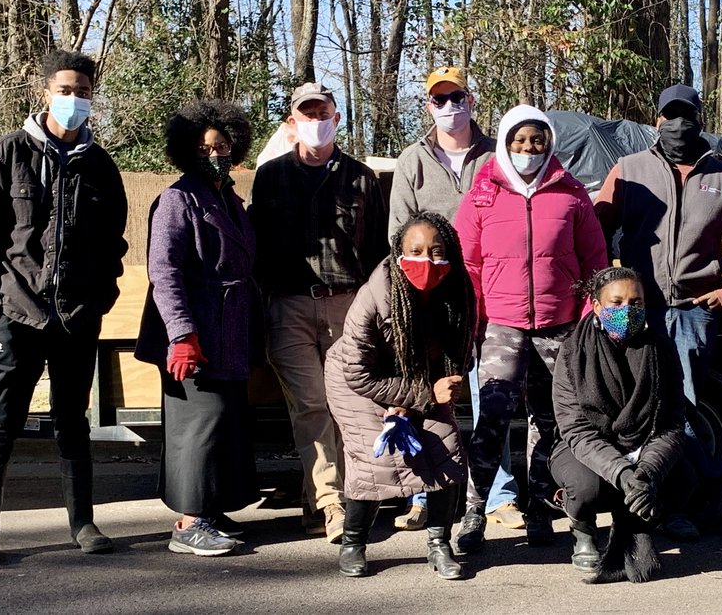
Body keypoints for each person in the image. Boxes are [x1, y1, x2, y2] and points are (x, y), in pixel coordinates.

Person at [0, 50, 127, 565]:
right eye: (65, 90)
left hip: (77, 319)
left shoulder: (100, 166)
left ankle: (83, 523)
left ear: (92, 96)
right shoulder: (7, 152)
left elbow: (113, 243)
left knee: (72, 423)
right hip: (15, 315)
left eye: (83, 91)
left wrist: (101, 298)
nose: (74, 99)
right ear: (46, 92)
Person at [594, 84, 722, 539]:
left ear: (700, 118)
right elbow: (595, 233)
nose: (679, 124)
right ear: (657, 119)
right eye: (671, 115)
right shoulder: (629, 170)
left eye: (687, 115)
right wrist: (601, 294)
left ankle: (677, 506)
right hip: (636, 310)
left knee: (682, 408)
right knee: (638, 406)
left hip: (693, 312)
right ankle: (708, 475)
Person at [453, 104, 609, 553]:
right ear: (505, 142)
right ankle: (474, 512)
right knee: (493, 420)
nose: (528, 148)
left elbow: (594, 260)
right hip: (502, 325)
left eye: (537, 140)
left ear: (549, 144)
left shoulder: (571, 195)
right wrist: (474, 321)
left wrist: (586, 317)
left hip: (559, 324)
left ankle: (542, 510)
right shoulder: (483, 194)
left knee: (552, 422)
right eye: (520, 140)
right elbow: (469, 264)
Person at [249, 82, 388, 543]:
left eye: (322, 112)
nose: (315, 121)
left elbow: (376, 253)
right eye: (305, 114)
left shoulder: (362, 177)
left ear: (337, 117)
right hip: (288, 305)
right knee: (310, 405)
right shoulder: (270, 177)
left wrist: (376, 313)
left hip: (347, 304)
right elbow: (257, 248)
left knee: (349, 404)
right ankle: (330, 503)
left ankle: (348, 499)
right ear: (292, 122)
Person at [389, 66, 522, 532]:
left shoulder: (498, 157)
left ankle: (498, 496)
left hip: (487, 297)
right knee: (433, 399)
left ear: (471, 99)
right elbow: (397, 236)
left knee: (492, 397)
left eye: (457, 97)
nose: (449, 107)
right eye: (439, 100)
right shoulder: (412, 160)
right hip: (433, 300)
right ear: (428, 105)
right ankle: (428, 493)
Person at [133, 100, 261, 556]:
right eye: (206, 147)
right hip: (195, 331)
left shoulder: (229, 197)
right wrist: (181, 333)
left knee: (222, 422)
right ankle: (188, 522)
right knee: (197, 424)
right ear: (188, 151)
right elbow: (163, 271)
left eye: (223, 146)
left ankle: (209, 506)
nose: (215, 154)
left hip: (232, 328)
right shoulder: (176, 199)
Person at [325, 211, 475, 579]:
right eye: (416, 251)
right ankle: (354, 543)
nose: (427, 260)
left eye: (437, 251)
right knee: (374, 462)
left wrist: (439, 388)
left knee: (448, 451)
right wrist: (419, 395)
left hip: (423, 380)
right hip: (358, 383)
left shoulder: (459, 291)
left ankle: (440, 544)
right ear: (399, 253)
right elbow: (359, 373)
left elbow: (460, 353)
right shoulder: (374, 296)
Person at [551, 267, 698, 583]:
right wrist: (622, 472)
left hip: (642, 446)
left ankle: (659, 514)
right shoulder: (571, 352)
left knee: (682, 475)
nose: (626, 311)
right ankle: (583, 530)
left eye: (636, 302)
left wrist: (645, 473)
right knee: (585, 487)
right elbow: (575, 429)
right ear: (597, 306)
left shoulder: (661, 349)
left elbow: (672, 424)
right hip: (586, 447)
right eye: (616, 303)